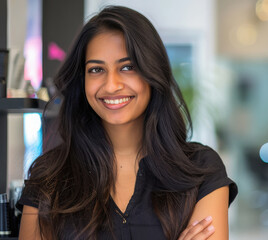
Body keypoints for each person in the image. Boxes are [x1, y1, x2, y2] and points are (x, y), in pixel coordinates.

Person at [17, 5, 237, 240]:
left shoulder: (201, 171)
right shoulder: (49, 176)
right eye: (96, 69)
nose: (111, 85)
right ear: (82, 80)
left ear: (153, 73)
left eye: (127, 67)